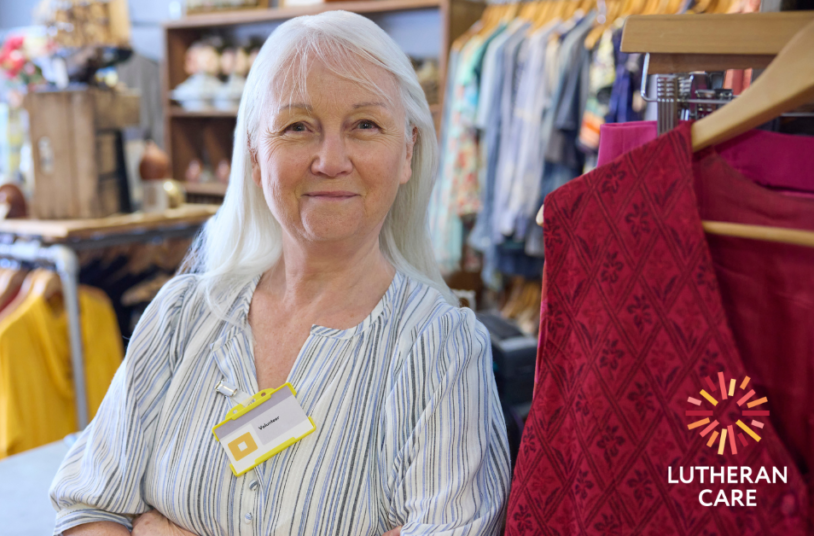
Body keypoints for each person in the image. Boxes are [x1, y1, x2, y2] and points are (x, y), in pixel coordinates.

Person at [50, 10, 511, 535]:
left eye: (365, 125)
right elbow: (87, 512)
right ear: (254, 152)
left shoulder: (441, 349)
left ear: (406, 152)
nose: (331, 159)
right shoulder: (180, 317)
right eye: (297, 127)